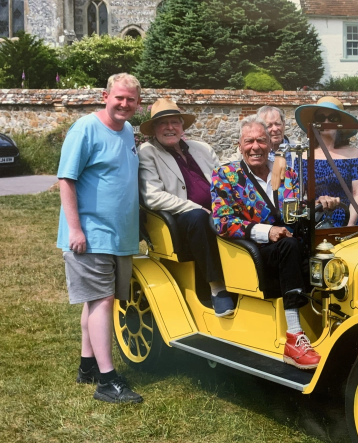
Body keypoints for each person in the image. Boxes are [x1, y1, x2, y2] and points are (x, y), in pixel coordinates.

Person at [211, 115, 339, 370]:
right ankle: (294, 336)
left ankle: (335, 324)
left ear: (270, 144)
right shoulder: (225, 175)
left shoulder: (286, 171)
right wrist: (266, 231)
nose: (255, 147)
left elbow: (296, 210)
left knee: (330, 251)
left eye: (261, 140)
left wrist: (319, 204)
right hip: (256, 250)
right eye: (249, 141)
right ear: (239, 145)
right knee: (289, 247)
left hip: (292, 244)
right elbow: (222, 221)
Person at [57, 73, 143, 404]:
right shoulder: (85, 129)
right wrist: (75, 229)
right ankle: (107, 381)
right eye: (119, 97)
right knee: (102, 301)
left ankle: (87, 366)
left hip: (118, 235)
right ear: (105, 96)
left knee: (97, 301)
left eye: (131, 99)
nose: (124, 104)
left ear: (138, 103)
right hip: (90, 234)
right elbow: (66, 179)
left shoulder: (127, 131)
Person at [137, 98, 235, 317]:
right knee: (197, 217)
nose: (170, 127)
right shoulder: (148, 152)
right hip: (179, 219)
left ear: (182, 126)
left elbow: (225, 180)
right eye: (163, 123)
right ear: (154, 129)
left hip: (216, 211)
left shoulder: (202, 148)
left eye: (175, 122)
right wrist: (195, 207)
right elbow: (152, 197)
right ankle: (217, 288)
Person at [294, 96, 358, 227]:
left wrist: (350, 225)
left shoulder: (354, 154)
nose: (326, 122)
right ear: (315, 123)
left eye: (332, 118)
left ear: (340, 123)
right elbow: (298, 195)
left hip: (346, 217)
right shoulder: (304, 155)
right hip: (315, 219)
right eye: (321, 118)